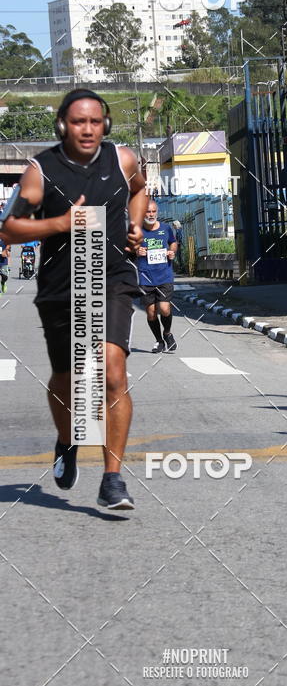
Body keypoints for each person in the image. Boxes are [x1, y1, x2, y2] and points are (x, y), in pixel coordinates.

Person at [0, 88, 147, 509]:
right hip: (62, 286)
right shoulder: (38, 171)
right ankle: (67, 440)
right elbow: (8, 228)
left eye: (95, 122)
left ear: (106, 125)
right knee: (67, 380)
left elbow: (139, 190)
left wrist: (134, 226)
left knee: (112, 371)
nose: (88, 129)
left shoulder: (122, 159)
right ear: (64, 124)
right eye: (79, 122)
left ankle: (113, 479)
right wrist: (61, 222)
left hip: (113, 278)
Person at [137, 200, 178, 353]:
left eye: (153, 211)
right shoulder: (137, 230)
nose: (151, 214)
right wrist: (136, 251)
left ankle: (167, 333)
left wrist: (172, 252)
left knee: (164, 308)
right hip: (145, 277)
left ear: (157, 212)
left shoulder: (166, 228)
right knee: (151, 312)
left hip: (164, 276)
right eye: (148, 211)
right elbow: (129, 248)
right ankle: (159, 340)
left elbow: (173, 243)